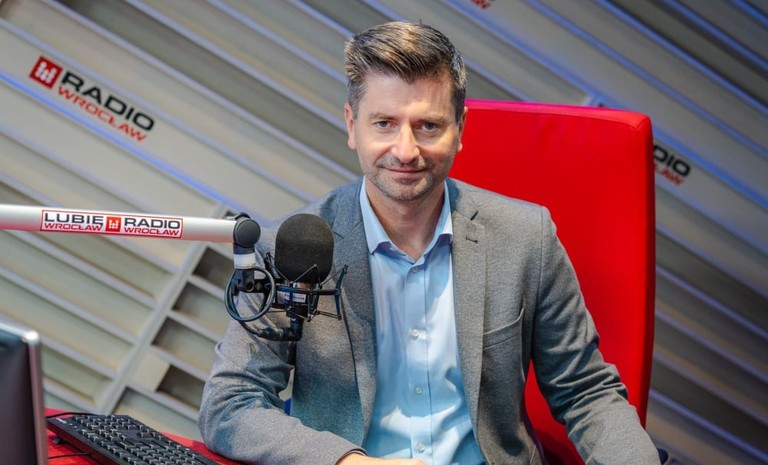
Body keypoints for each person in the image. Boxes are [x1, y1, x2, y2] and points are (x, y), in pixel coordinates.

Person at [199, 21, 661, 465]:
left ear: (460, 128)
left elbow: (585, 391)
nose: (405, 151)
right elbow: (230, 405)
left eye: (428, 126)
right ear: (352, 124)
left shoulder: (526, 237)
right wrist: (348, 461)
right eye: (384, 123)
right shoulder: (290, 250)